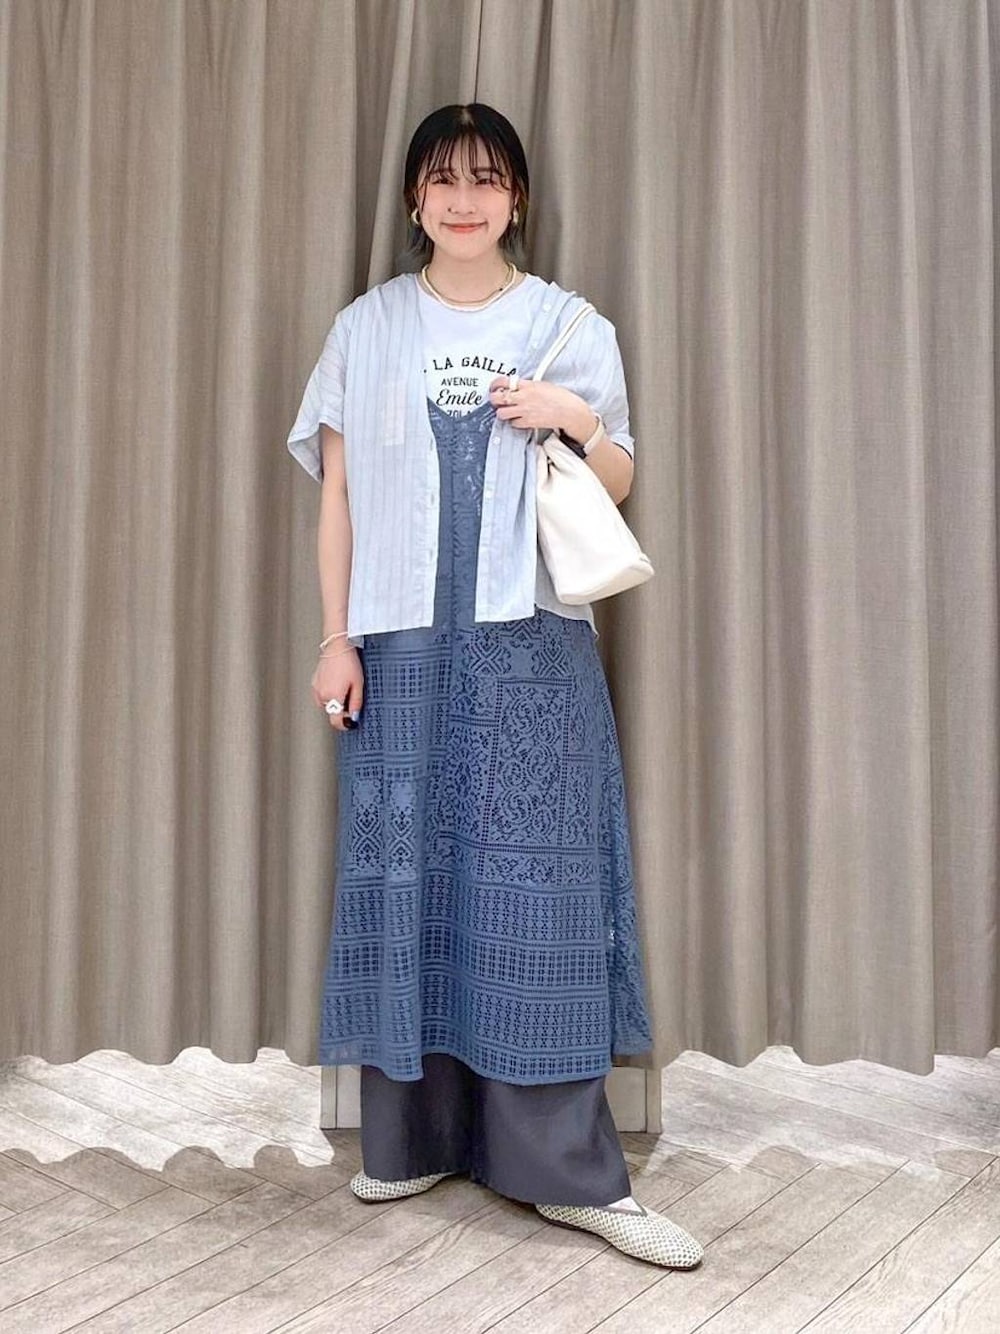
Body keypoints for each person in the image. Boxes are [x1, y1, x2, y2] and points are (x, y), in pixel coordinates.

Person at [286, 103, 703, 1270]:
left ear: (516, 196)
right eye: (442, 180)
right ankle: (414, 1137)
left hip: (530, 650)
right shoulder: (366, 327)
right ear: (413, 200)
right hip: (400, 649)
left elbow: (616, 478)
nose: (462, 200)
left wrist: (573, 417)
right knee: (407, 879)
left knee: (540, 892)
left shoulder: (567, 323)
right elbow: (337, 499)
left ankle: (569, 1173)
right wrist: (335, 638)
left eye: (485, 179)